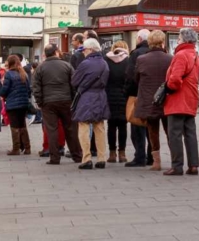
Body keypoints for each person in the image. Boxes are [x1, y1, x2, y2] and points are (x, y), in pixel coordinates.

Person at [33, 44, 83, 164]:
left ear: (46, 53)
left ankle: (54, 157)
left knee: (52, 130)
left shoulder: (40, 68)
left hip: (48, 103)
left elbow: (36, 87)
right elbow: (74, 84)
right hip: (66, 101)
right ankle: (77, 155)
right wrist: (73, 100)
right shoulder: (67, 65)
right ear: (56, 52)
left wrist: (40, 102)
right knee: (71, 129)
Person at [163, 28, 199, 176]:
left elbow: (174, 79)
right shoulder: (195, 55)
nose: (177, 40)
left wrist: (169, 89)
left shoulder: (180, 55)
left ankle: (177, 166)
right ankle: (193, 165)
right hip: (191, 98)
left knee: (175, 134)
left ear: (184, 40)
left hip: (178, 99)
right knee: (190, 133)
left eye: (179, 38)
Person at [134, 31, 173, 172]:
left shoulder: (142, 59)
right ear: (163, 42)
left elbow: (137, 79)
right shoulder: (170, 58)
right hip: (166, 99)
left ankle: (156, 162)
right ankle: (175, 160)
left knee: (152, 130)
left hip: (149, 100)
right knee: (170, 131)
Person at [72, 38, 111, 170]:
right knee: (99, 126)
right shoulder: (105, 63)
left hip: (87, 96)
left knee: (83, 125)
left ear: (90, 49)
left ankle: (86, 158)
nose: (83, 52)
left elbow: (75, 81)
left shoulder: (85, 63)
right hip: (101, 96)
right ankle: (101, 158)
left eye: (84, 50)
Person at [124, 29, 154, 167]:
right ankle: (152, 156)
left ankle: (139, 156)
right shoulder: (157, 52)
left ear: (140, 39)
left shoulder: (136, 53)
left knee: (137, 127)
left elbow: (130, 76)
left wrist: (128, 94)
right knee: (151, 126)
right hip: (153, 96)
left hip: (137, 94)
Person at [0, 54, 32, 155]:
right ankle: (27, 148)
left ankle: (16, 148)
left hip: (13, 104)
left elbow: (5, 89)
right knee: (22, 125)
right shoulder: (24, 73)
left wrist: (1, 94)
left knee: (14, 127)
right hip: (23, 104)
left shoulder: (9, 74)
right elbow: (28, 89)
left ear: (10, 63)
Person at [105, 41, 131, 163]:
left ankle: (111, 154)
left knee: (111, 125)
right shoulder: (128, 61)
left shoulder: (107, 60)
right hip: (123, 96)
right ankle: (122, 153)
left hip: (109, 96)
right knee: (122, 125)